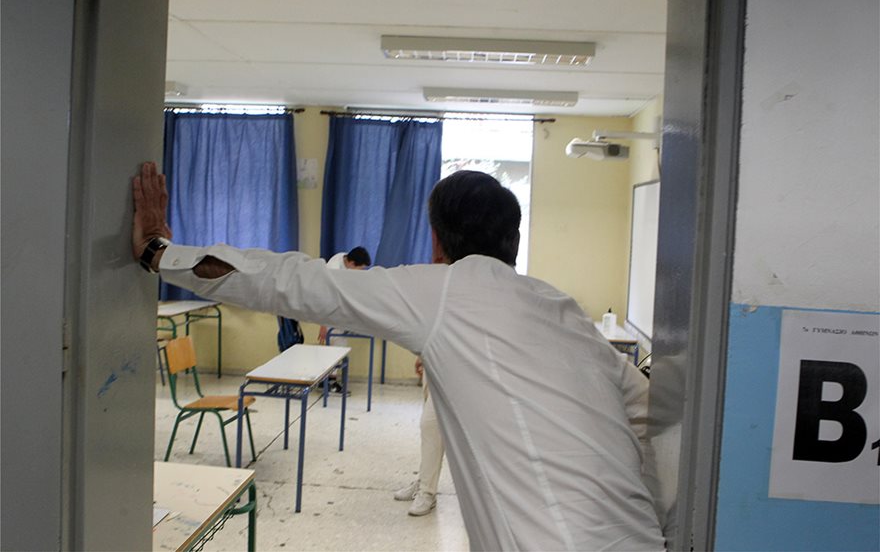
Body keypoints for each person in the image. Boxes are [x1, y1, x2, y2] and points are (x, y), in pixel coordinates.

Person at [132, 162, 664, 551]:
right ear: (515, 241)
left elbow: (286, 281)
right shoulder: (563, 308)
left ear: (437, 243)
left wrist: (158, 251)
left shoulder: (442, 290)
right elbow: (649, 415)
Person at [393, 357, 445, 517]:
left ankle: (427, 491)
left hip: (458, 361)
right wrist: (421, 355)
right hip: (436, 359)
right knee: (431, 426)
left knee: (430, 425)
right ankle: (425, 482)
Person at [318, 246, 371, 392]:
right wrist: (323, 324)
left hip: (337, 311)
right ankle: (329, 382)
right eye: (360, 268)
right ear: (352, 264)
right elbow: (325, 298)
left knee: (339, 345)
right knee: (336, 345)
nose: (361, 272)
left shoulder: (345, 257)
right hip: (328, 310)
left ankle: (328, 380)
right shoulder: (334, 269)